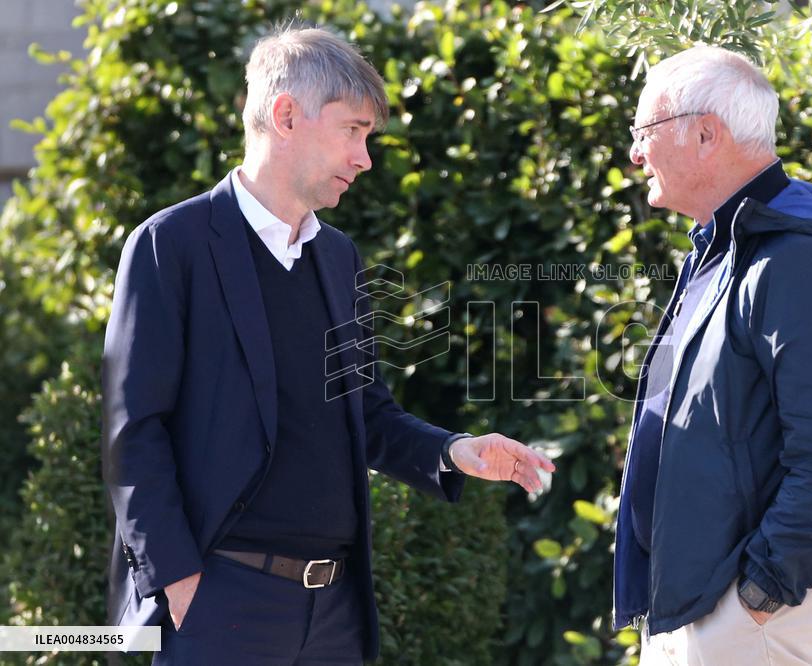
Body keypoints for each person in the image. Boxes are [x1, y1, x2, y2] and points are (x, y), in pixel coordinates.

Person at [101, 26, 555, 665]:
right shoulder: (169, 245)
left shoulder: (338, 258)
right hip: (218, 604)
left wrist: (454, 452)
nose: (364, 157)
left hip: (335, 614)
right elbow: (133, 430)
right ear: (286, 115)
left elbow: (367, 413)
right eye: (353, 131)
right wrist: (177, 580)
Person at [613, 46, 812, 665]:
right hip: (704, 607)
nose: (635, 153)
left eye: (643, 131)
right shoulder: (728, 249)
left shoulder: (799, 258)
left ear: (706, 134)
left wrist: (762, 592)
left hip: (755, 614)